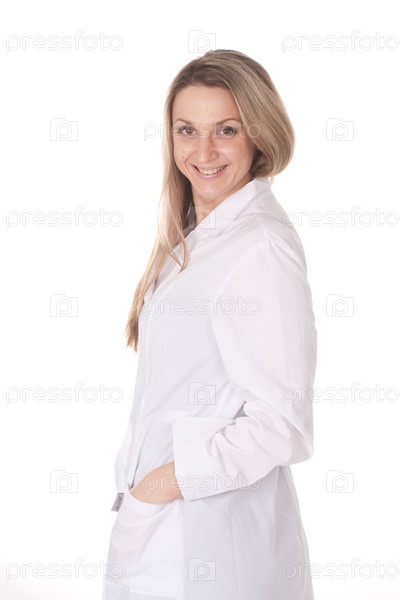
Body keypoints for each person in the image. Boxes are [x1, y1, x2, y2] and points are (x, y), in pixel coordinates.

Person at [102, 49, 317, 600]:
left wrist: (161, 485)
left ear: (259, 134)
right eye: (187, 130)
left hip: (207, 541)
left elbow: (281, 424)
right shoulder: (200, 236)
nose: (203, 152)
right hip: (168, 533)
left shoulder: (259, 247)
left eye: (226, 129)